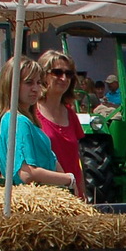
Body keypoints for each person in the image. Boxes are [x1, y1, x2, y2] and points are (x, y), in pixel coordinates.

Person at [0, 58, 77, 194]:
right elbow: (26, 173)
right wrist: (69, 179)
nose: (36, 89)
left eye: (38, 83)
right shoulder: (19, 121)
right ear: (12, 85)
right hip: (35, 199)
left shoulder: (10, 119)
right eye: (29, 83)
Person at [34, 51, 85, 198]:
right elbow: (4, 140)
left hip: (72, 195)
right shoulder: (31, 112)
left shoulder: (70, 114)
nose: (64, 78)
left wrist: (83, 194)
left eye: (68, 74)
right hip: (47, 195)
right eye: (57, 72)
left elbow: (77, 160)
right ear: (43, 75)